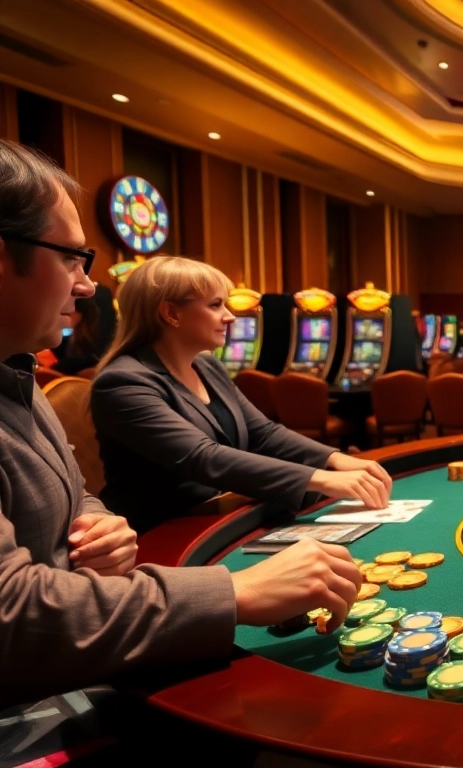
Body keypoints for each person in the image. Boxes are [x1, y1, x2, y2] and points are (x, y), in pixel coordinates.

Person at [0, 139, 361, 708]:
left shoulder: (19, 378)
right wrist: (238, 590)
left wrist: (103, 526)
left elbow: (79, 497)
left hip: (115, 598)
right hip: (62, 667)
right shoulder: (122, 380)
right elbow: (201, 458)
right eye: (71, 258)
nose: (88, 287)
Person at [90, 257, 393, 532]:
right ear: (170, 313)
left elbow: (263, 433)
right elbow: (203, 457)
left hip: (221, 517)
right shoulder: (123, 383)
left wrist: (333, 458)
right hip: (162, 534)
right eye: (215, 305)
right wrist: (319, 478)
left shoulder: (207, 366)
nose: (230, 317)